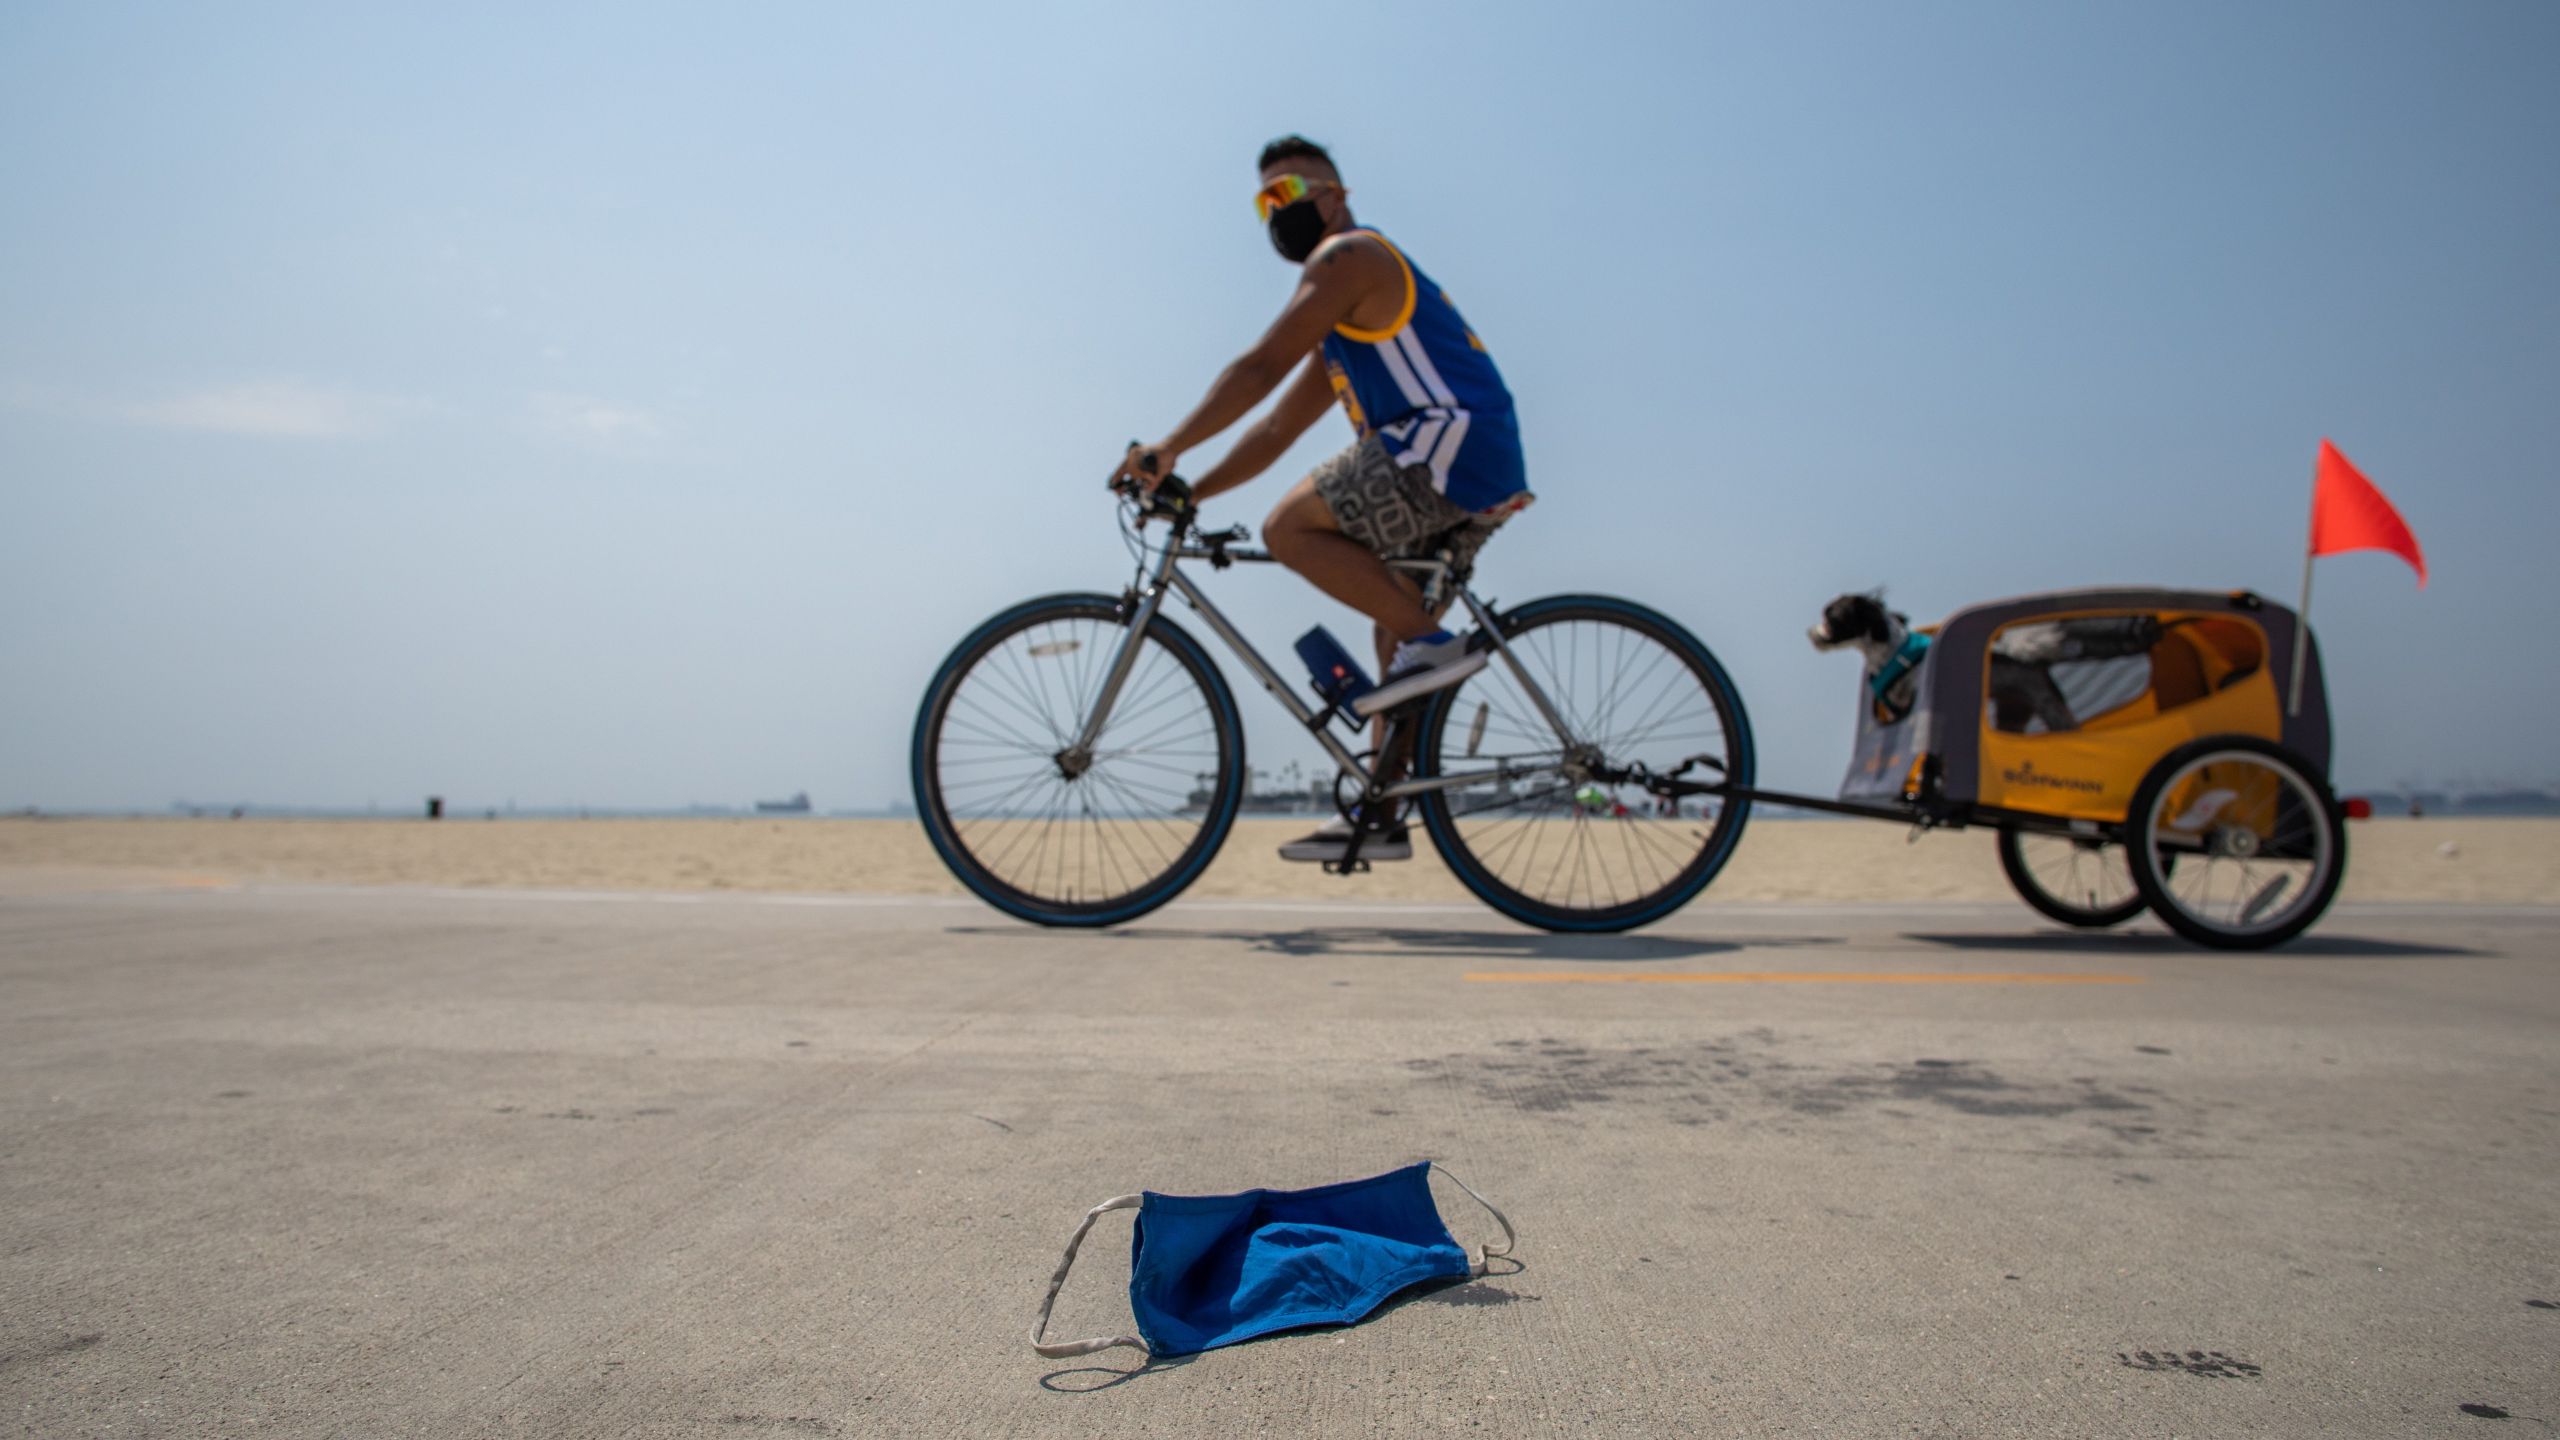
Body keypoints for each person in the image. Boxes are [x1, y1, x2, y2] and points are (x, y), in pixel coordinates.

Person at [1108, 135, 1532, 863]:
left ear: (1335, 195)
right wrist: (1192, 492)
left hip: (1446, 443)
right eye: (1263, 202)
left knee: (1288, 528)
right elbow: (1274, 428)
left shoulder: (1349, 258)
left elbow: (1260, 366)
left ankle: (1434, 649)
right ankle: (1383, 810)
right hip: (1476, 465)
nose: (1277, 211)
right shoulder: (1342, 328)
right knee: (1390, 627)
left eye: (1290, 193)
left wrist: (1166, 448)